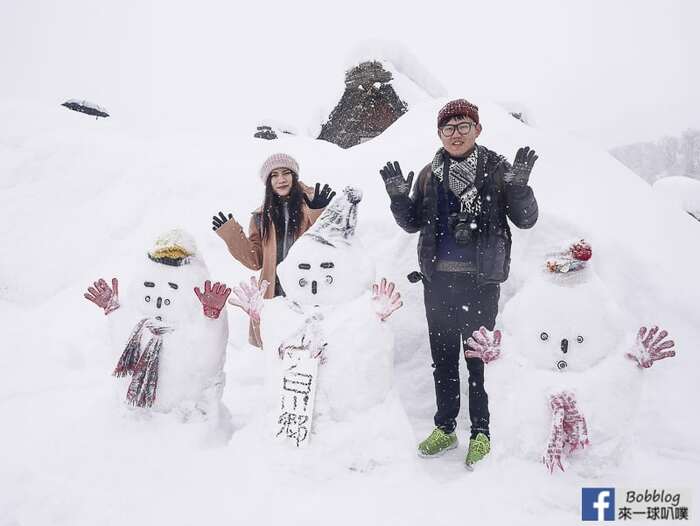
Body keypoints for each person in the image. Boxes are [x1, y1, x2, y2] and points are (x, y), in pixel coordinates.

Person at [379, 99, 538, 467]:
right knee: (444, 360)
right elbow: (413, 222)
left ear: (477, 130)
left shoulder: (499, 171)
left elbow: (526, 220)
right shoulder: (428, 173)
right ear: (439, 134)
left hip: (481, 283)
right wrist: (399, 199)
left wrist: (519, 189)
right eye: (448, 128)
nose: (455, 134)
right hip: (437, 284)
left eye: (463, 126)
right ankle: (446, 428)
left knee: (480, 361)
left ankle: (481, 432)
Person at [213, 153, 335, 346]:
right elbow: (255, 261)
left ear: (294, 176)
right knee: (277, 352)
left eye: (286, 173)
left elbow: (328, 243)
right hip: (275, 296)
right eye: (274, 175)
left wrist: (318, 210)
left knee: (311, 348)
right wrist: (232, 235)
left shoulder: (313, 203)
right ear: (268, 182)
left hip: (307, 292)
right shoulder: (260, 217)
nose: (281, 179)